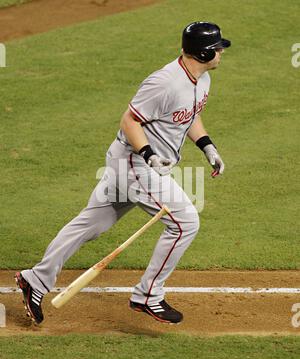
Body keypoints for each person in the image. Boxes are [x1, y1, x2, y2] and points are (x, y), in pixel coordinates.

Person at [15, 21, 231, 325]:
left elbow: (188, 116)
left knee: (91, 223)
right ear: (205, 52)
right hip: (135, 164)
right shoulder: (165, 82)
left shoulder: (201, 79)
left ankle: (34, 280)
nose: (222, 53)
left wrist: (208, 146)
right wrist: (150, 155)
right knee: (185, 222)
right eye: (219, 48)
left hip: (131, 164)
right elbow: (130, 121)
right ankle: (148, 295)